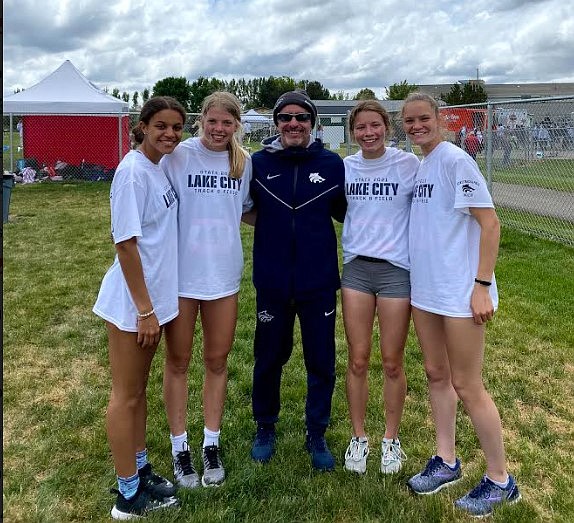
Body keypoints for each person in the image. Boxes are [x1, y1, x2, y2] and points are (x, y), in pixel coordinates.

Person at [401, 93, 521, 518]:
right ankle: (447, 460)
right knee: (437, 375)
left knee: (469, 385)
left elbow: (490, 224)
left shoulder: (455, 160)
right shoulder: (422, 166)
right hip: (427, 293)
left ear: (439, 119)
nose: (416, 126)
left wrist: (481, 285)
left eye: (423, 119)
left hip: (459, 295)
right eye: (409, 121)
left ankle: (500, 480)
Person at [93, 96, 186, 519]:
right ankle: (127, 495)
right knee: (125, 395)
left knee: (138, 393)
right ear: (142, 126)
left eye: (176, 127)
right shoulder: (132, 173)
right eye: (161, 126)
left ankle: (141, 468)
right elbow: (125, 244)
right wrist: (145, 310)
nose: (169, 134)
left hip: (155, 302)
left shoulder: (157, 167)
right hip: (135, 304)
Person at [248, 89, 347, 471]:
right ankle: (265, 426)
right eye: (286, 117)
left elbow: (346, 213)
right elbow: (241, 207)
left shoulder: (332, 164)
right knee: (269, 357)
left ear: (312, 123)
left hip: (318, 280)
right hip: (272, 281)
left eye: (301, 117)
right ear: (276, 123)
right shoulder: (256, 163)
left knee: (320, 360)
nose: (293, 123)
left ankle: (316, 430)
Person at [161, 91, 253, 489]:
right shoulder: (178, 155)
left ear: (237, 126)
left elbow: (247, 210)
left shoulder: (243, 162)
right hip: (181, 277)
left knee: (217, 360)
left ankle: (210, 444)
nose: (219, 129)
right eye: (212, 122)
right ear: (202, 120)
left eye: (227, 123)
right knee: (178, 361)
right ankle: (179, 447)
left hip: (223, 278)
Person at [341, 100, 420, 475]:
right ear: (352, 131)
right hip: (357, 269)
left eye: (375, 126)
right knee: (357, 359)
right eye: (361, 127)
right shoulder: (346, 167)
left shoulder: (408, 165)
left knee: (391, 361)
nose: (368, 133)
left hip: (395, 272)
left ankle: (391, 438)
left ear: (387, 128)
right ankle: (359, 438)